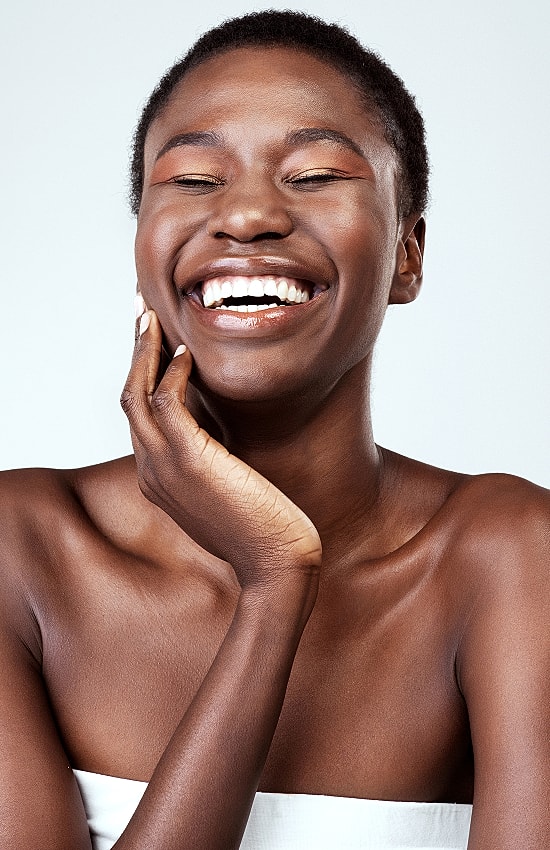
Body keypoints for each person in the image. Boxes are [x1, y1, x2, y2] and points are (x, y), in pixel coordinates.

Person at [0, 9, 548, 850]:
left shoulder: (510, 556)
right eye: (192, 181)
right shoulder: (21, 551)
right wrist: (275, 585)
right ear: (143, 244)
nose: (247, 215)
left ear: (408, 255)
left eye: (315, 174)